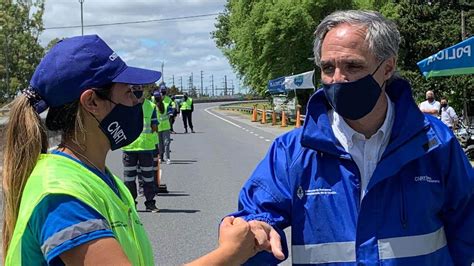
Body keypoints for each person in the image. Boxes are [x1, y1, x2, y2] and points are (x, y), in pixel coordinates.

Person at [228, 10, 474, 265]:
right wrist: (255, 230)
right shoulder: (293, 151)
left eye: (352, 66)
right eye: (327, 68)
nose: (337, 79)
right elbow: (257, 216)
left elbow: (466, 228)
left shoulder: (433, 142)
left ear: (387, 67)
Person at [2, 34, 257, 265]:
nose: (138, 103)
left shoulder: (98, 179)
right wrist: (231, 253)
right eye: (130, 93)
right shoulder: (61, 195)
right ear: (92, 101)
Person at [121, 85, 160, 212]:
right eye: (135, 88)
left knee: (148, 178)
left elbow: (154, 126)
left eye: (139, 88)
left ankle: (150, 203)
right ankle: (132, 204)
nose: (137, 91)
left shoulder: (151, 106)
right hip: (129, 148)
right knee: (129, 179)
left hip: (145, 148)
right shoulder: (124, 105)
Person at [154, 91, 173, 164]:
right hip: (159, 128)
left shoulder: (166, 105)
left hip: (165, 127)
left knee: (166, 143)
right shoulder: (154, 106)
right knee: (161, 144)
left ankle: (167, 158)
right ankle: (161, 158)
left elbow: (171, 113)